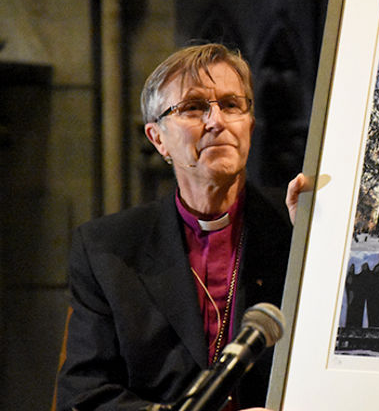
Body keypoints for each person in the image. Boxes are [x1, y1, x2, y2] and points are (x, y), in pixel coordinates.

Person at [56, 43, 292, 410]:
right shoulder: (107, 248)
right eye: (193, 108)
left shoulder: (296, 226)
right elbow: (85, 395)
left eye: (232, 105)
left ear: (249, 124)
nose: (217, 121)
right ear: (157, 139)